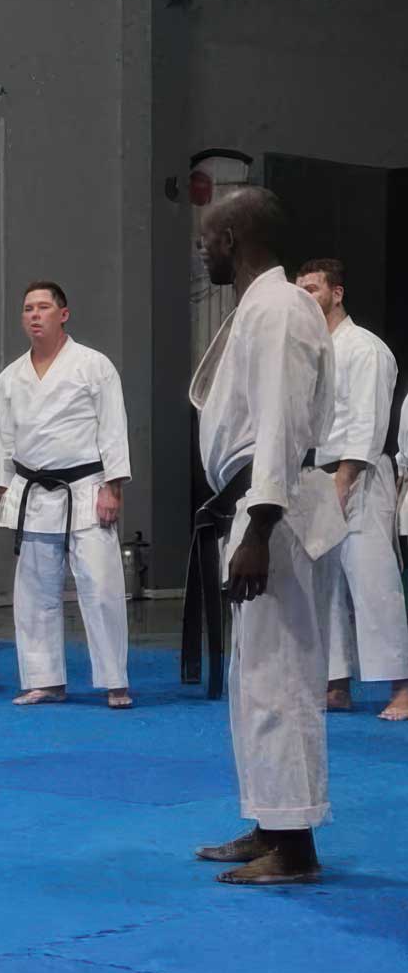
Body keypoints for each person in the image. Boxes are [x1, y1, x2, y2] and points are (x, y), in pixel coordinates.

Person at [188, 186, 343, 884]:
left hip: (270, 515)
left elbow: (279, 422)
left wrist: (260, 520)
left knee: (281, 679)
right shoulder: (260, 308)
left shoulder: (280, 309)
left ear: (234, 240)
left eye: (208, 238)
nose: (203, 250)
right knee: (255, 680)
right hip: (254, 507)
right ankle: (270, 823)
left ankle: (297, 847)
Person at [0, 283, 132, 709]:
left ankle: (114, 680)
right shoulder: (10, 377)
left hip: (86, 489)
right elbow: (0, 438)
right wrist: (5, 488)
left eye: (44, 307)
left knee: (101, 589)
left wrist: (113, 486)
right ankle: (44, 680)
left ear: (63, 314)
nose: (34, 315)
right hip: (32, 491)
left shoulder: (93, 365)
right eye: (28, 308)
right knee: (34, 594)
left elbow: (112, 428)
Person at [295, 259, 408, 722]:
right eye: (299, 290)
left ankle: (402, 685)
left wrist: (344, 479)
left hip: (359, 474)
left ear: (337, 293)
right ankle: (335, 682)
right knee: (322, 585)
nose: (306, 297)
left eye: (313, 288)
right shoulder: (310, 350)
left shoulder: (366, 349)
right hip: (316, 474)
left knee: (373, 580)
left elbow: (368, 420)